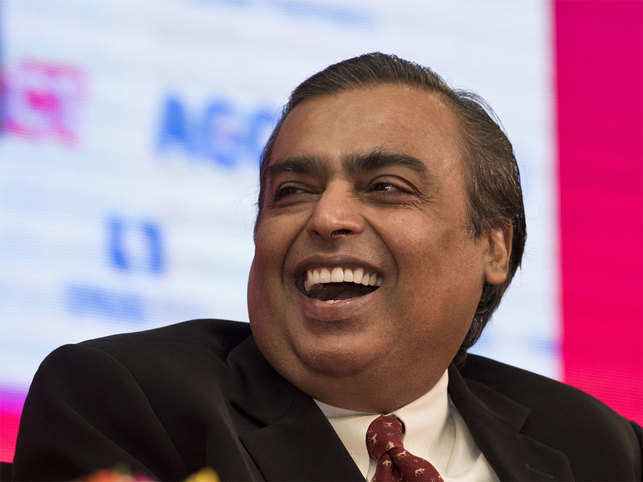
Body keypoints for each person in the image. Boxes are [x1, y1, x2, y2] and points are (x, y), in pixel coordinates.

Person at [12, 53, 642, 482]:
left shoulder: (598, 447)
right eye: (291, 192)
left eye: (386, 187)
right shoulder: (130, 400)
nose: (327, 217)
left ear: (494, 247)